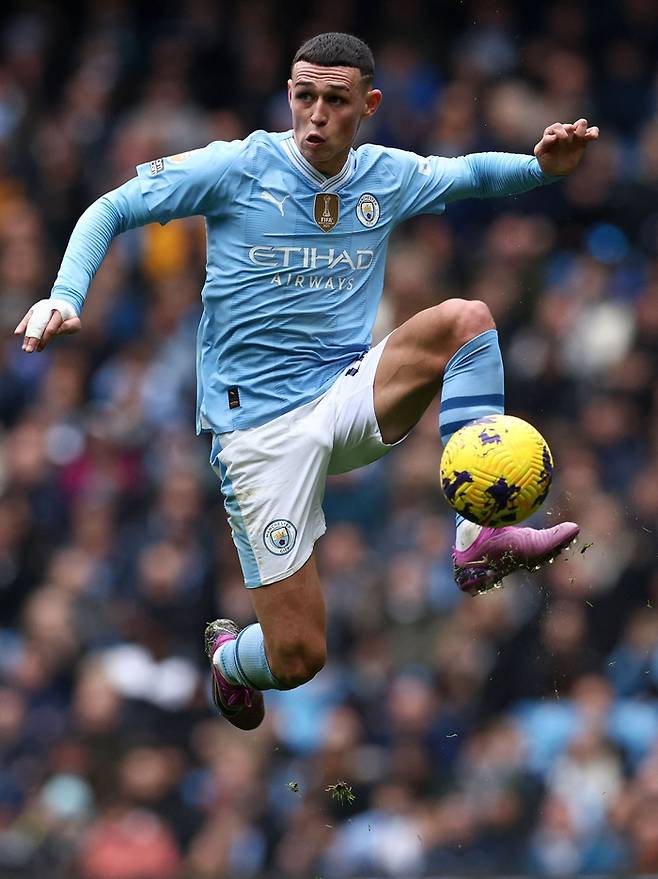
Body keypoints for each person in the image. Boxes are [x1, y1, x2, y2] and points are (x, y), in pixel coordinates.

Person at [15, 33, 598, 731]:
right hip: (258, 434)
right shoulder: (237, 166)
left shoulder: (384, 175)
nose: (316, 114)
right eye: (304, 96)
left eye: (336, 100)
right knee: (299, 656)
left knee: (466, 319)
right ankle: (233, 660)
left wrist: (542, 167)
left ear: (369, 105)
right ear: (290, 95)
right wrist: (64, 294)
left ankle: (476, 536)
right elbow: (111, 207)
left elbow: (470, 172)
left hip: (346, 391)